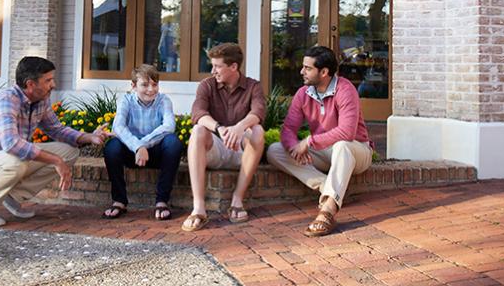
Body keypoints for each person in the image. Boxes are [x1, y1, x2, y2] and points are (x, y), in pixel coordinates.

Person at [0, 56, 109, 227]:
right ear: (30, 84)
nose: (53, 85)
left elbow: (56, 129)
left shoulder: (40, 101)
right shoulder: (7, 101)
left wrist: (89, 137)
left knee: (69, 151)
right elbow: (12, 144)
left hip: (7, 159)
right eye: (48, 80)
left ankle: (13, 196)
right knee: (16, 160)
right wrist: (55, 161)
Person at [266, 46, 374, 237]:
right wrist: (294, 147)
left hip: (356, 151)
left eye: (308, 68)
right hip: (324, 152)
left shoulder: (345, 90)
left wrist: (309, 142)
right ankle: (328, 187)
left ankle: (328, 211)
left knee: (342, 146)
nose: (302, 72)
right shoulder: (303, 94)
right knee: (275, 150)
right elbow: (289, 129)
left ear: (324, 72)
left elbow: (347, 133)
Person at [181, 43, 265, 232]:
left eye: (217, 66)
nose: (213, 71)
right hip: (215, 149)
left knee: (257, 130)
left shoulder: (253, 86)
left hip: (241, 152)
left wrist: (240, 127)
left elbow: (258, 112)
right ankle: (199, 208)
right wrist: (219, 129)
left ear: (233, 67)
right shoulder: (207, 85)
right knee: (198, 130)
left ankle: (237, 200)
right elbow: (198, 112)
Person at [102, 64, 183, 220]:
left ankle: (161, 201)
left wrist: (143, 145)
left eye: (154, 84)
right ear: (133, 86)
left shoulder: (164, 100)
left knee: (173, 143)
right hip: (131, 153)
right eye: (145, 85)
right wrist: (137, 146)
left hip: (156, 154)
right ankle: (119, 200)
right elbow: (118, 127)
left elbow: (168, 126)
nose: (151, 89)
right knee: (112, 147)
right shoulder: (126, 100)